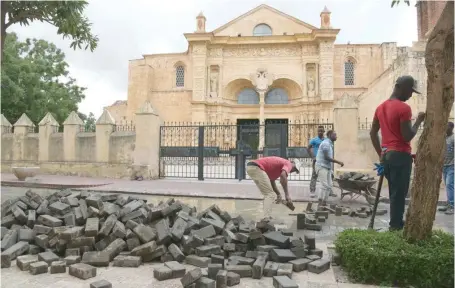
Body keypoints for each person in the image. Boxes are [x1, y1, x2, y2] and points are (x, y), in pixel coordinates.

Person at [370, 75, 425, 231]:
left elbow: (373, 133)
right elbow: (407, 135)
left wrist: (381, 153)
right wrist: (419, 121)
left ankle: (395, 224)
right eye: (410, 91)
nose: (410, 95)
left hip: (387, 156)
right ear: (399, 86)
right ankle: (395, 226)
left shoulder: (380, 107)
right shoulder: (403, 108)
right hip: (400, 155)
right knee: (399, 194)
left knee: (395, 192)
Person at [315, 130, 344, 206]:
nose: (336, 136)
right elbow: (326, 157)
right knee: (324, 185)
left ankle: (324, 202)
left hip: (326, 167)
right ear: (330, 135)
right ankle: (320, 202)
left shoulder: (330, 144)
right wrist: (339, 162)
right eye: (335, 135)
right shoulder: (326, 144)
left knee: (330, 185)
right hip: (321, 166)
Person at [439, 122, 454, 215]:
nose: (445, 128)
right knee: (447, 185)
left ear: (452, 128)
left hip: (452, 165)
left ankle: (452, 206)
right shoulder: (443, 138)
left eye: (447, 127)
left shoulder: (453, 138)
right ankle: (448, 204)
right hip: (444, 166)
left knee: (449, 184)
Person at [308, 126, 326, 198]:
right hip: (316, 161)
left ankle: (327, 191)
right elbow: (308, 148)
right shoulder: (314, 140)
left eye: (321, 131)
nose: (320, 132)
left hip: (324, 161)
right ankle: (312, 191)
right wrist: (313, 157)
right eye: (319, 131)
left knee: (325, 176)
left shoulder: (326, 140)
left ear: (324, 132)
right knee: (314, 175)